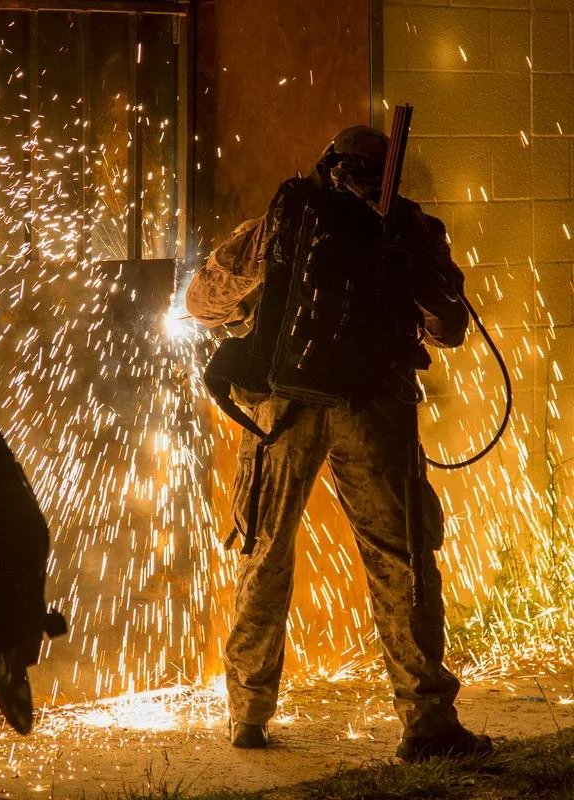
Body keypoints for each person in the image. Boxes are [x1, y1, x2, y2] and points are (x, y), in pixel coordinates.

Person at [187, 126, 493, 762]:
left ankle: (247, 712)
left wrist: (262, 301)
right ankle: (427, 722)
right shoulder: (409, 229)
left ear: (327, 166)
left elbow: (202, 302)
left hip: (281, 404)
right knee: (399, 559)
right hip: (372, 405)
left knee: (264, 552)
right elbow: (451, 327)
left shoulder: (282, 221)